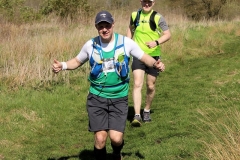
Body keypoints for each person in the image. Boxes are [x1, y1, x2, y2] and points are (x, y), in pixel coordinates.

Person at [52, 10, 165, 160]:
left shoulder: (126, 42)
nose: (104, 29)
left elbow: (144, 57)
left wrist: (155, 63)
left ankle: (117, 152)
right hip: (97, 97)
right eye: (100, 26)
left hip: (119, 98)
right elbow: (77, 61)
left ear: (113, 24)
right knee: (100, 138)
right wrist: (63, 65)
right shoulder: (90, 45)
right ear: (96, 27)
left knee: (116, 139)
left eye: (107, 25)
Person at [127, 0, 171, 127]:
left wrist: (156, 42)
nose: (147, 4)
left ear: (154, 3)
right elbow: (130, 29)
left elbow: (168, 34)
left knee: (150, 86)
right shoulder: (135, 15)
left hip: (153, 57)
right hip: (138, 55)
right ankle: (136, 115)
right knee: (137, 83)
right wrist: (127, 44)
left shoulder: (158, 17)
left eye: (149, 2)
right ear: (141, 1)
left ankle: (146, 110)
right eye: (145, 1)